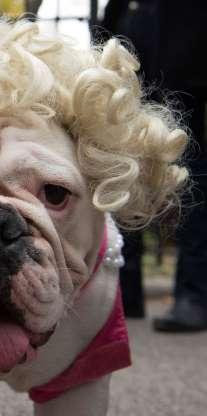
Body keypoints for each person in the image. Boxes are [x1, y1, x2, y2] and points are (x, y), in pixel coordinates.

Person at [101, 0, 207, 331]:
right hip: (134, 81)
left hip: (193, 87)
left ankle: (193, 295)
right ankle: (123, 292)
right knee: (122, 182)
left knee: (194, 192)